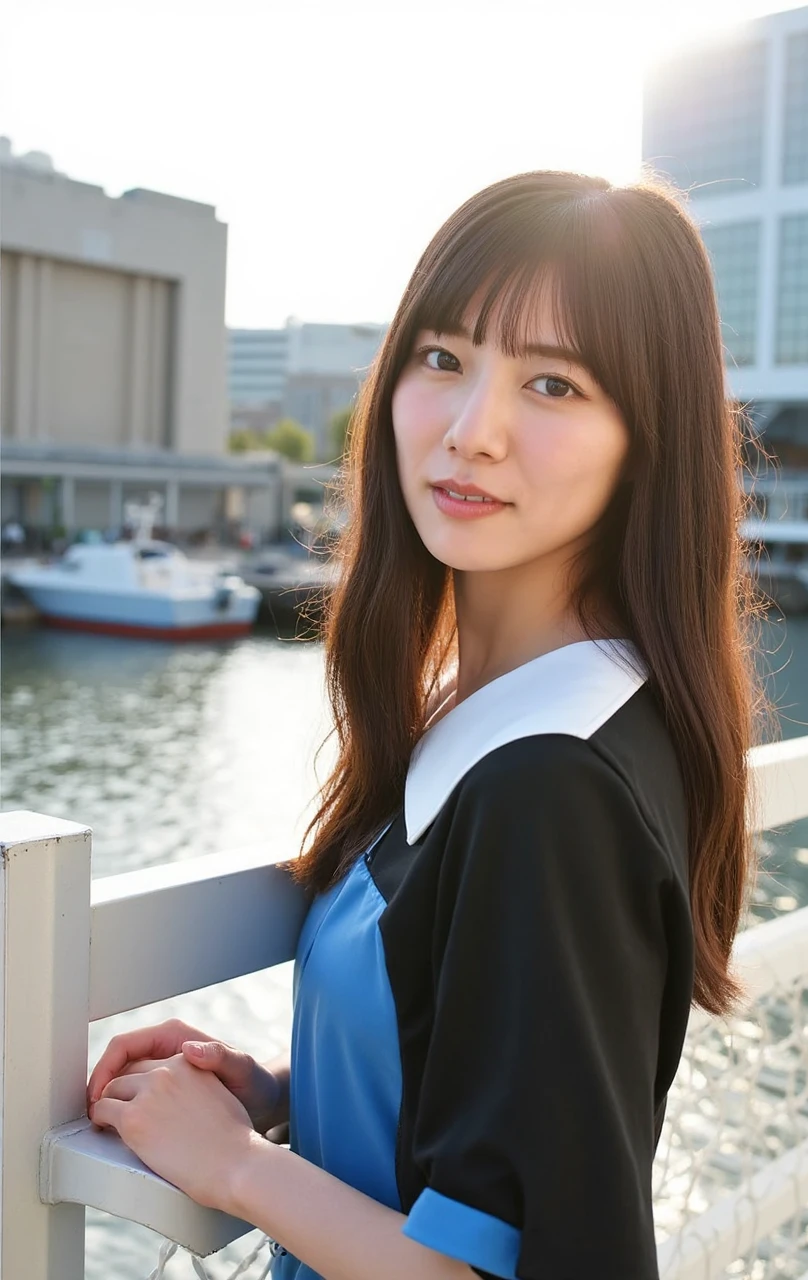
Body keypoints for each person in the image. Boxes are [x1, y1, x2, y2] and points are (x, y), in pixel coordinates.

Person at [86, 169, 771, 1279]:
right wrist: (277, 1092)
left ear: (647, 437)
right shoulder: (520, 711)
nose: (472, 430)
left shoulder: (555, 782)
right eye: (444, 359)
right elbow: (486, 1096)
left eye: (553, 383)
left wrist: (237, 1168)